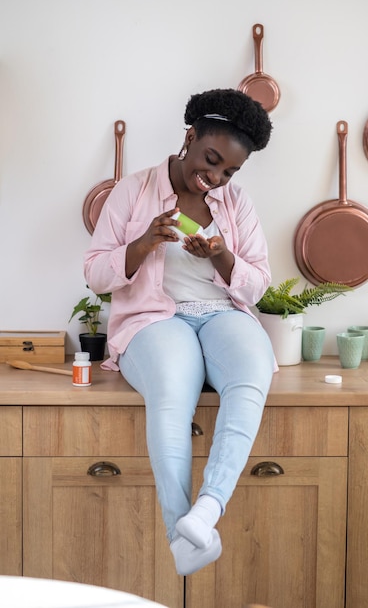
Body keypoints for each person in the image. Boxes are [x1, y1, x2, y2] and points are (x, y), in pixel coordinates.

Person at [84, 88, 276, 576]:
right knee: (171, 391)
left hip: (222, 314)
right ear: (190, 137)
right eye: (211, 160)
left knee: (252, 372)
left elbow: (256, 284)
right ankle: (184, 535)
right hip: (156, 319)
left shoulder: (235, 202)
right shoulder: (133, 189)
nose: (214, 178)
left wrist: (219, 255)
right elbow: (96, 274)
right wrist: (144, 242)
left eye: (228, 171)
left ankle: (208, 508)